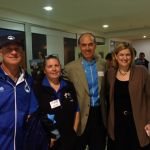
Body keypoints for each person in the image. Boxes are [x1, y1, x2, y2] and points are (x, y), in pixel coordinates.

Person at [63, 33, 106, 150]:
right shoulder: (69, 68)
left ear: (95, 45)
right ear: (79, 47)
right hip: (80, 115)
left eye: (90, 44)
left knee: (98, 146)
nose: (87, 48)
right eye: (84, 45)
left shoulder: (103, 65)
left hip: (99, 115)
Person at [105, 42, 150, 150]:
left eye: (128, 54)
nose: (124, 58)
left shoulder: (141, 71)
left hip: (137, 123)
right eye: (121, 54)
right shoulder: (110, 73)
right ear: (116, 56)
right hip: (117, 124)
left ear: (132, 56)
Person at [30, 55, 79, 150]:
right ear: (44, 70)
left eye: (56, 65)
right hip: (48, 139)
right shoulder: (38, 88)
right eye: (50, 66)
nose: (54, 69)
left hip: (69, 138)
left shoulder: (69, 86)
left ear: (60, 67)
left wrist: (74, 130)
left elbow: (77, 109)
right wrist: (51, 136)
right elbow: (35, 115)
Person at [0, 35, 38, 150]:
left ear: (22, 53)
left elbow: (32, 111)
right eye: (9, 49)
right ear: (1, 52)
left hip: (23, 143)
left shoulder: (28, 79)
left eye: (17, 49)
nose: (13, 52)